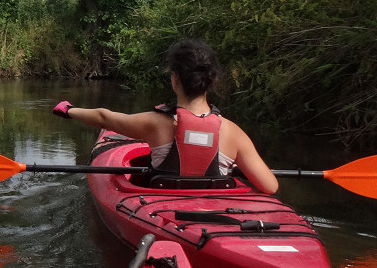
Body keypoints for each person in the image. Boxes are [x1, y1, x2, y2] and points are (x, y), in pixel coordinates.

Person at [53, 38, 279, 194]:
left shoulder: (155, 124)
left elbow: (103, 118)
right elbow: (270, 186)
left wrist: (68, 109)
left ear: (174, 79)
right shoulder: (232, 132)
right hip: (215, 213)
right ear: (213, 80)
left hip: (165, 211)